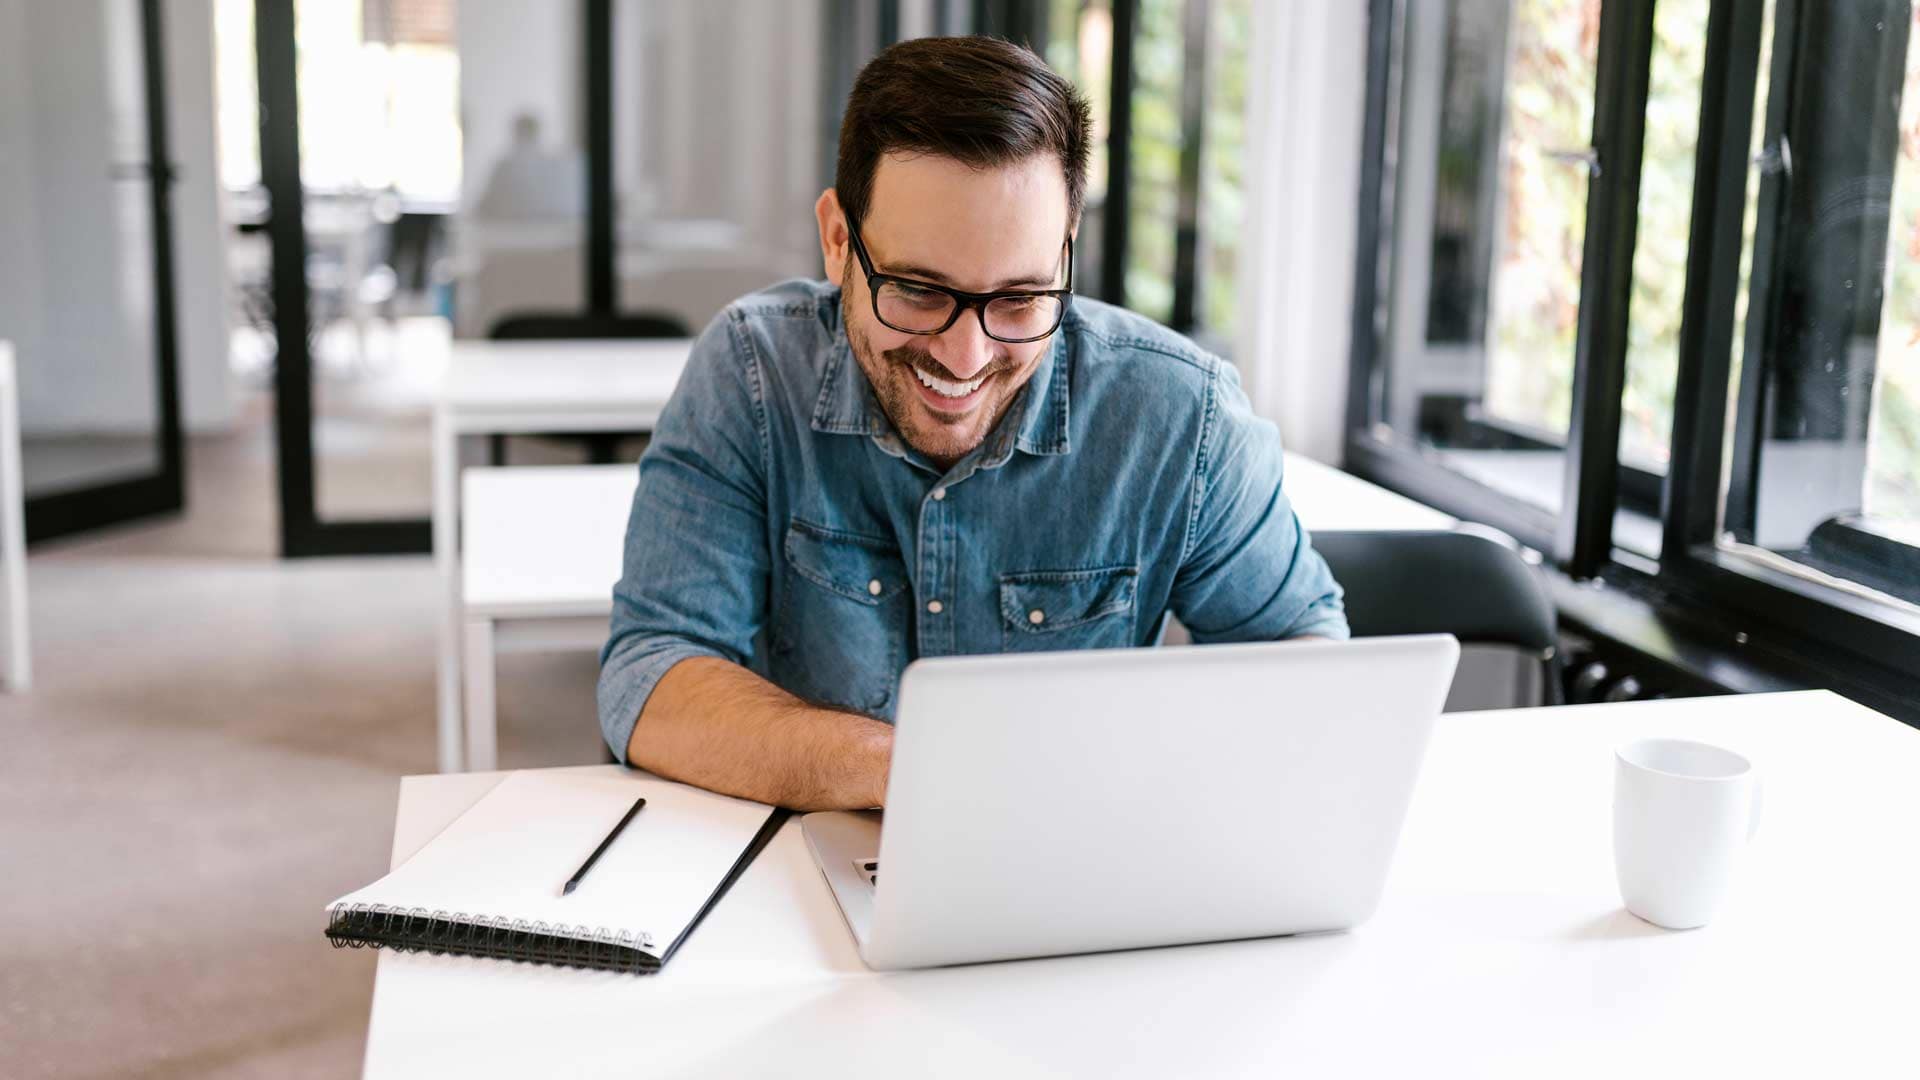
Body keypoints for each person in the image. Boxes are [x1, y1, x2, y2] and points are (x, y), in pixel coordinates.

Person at [598, 36, 1345, 810]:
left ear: (1065, 256)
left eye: (1019, 299)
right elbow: (652, 672)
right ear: (836, 240)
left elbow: (1306, 661)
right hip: (810, 881)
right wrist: (922, 774)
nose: (966, 355)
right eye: (919, 291)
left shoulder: (1183, 415)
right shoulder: (753, 373)